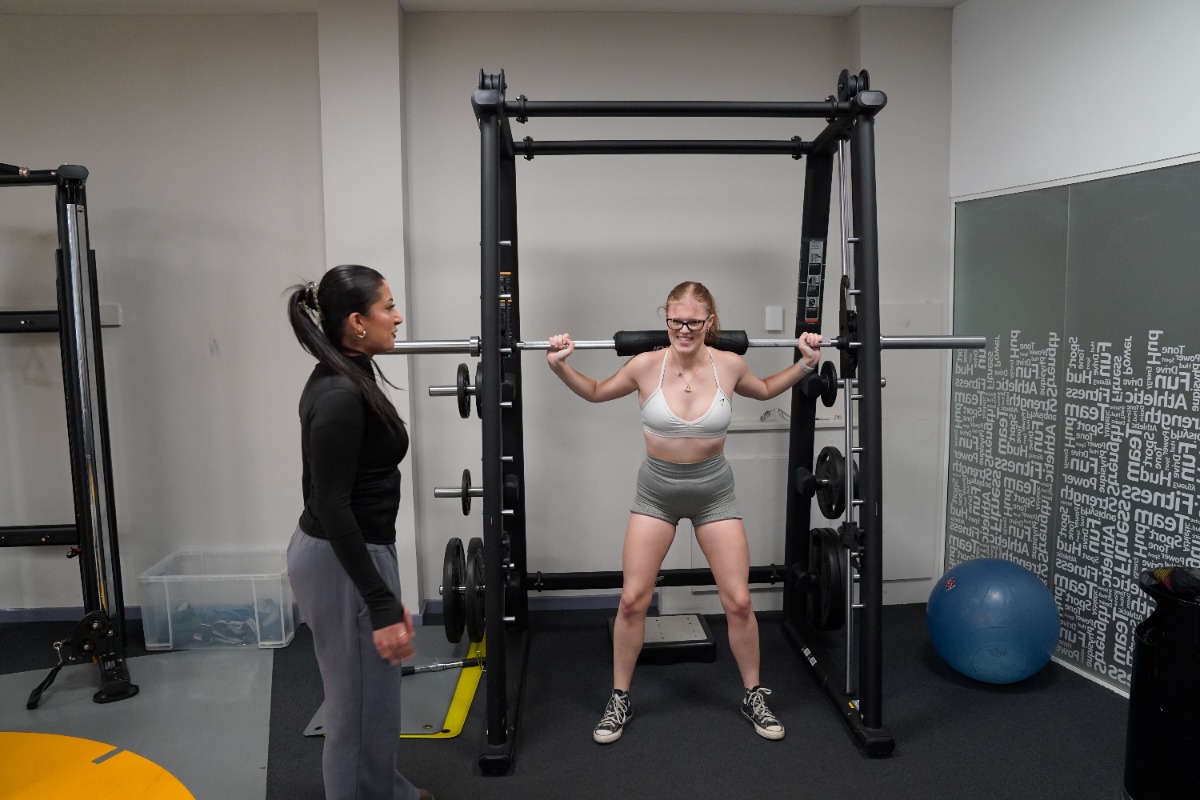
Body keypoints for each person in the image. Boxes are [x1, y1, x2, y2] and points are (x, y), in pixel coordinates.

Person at [546, 280, 822, 745]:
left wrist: (805, 364)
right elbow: (594, 391)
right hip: (656, 494)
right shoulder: (644, 365)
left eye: (695, 321)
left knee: (737, 600)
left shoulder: (730, 365)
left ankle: (753, 693)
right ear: (666, 319)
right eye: (676, 320)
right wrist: (559, 367)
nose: (685, 329)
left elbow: (767, 388)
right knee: (633, 600)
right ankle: (619, 697)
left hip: (715, 493)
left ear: (711, 322)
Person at [285, 265, 434, 800]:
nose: (398, 317)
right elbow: (331, 506)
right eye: (388, 307)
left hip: (357, 550)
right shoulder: (338, 398)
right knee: (353, 707)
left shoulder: (354, 369)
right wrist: (379, 600)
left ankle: (382, 788)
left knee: (378, 697)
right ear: (356, 322)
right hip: (340, 558)